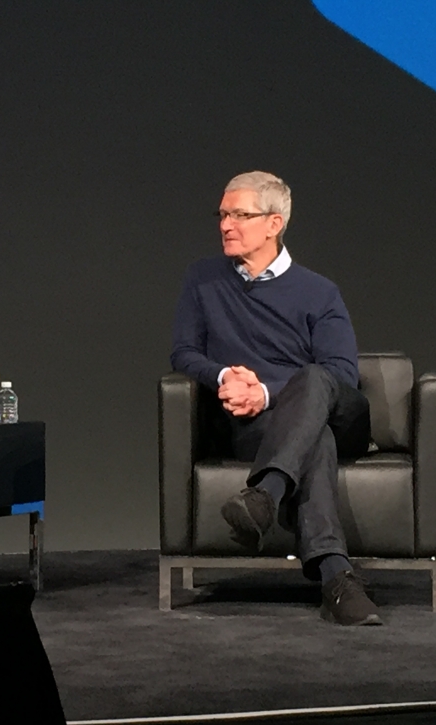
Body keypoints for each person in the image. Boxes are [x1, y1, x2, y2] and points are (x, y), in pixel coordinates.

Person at [170, 171, 380, 626]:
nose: (226, 224)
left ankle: (264, 494)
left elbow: (342, 374)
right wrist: (224, 374)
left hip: (343, 416)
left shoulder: (319, 291)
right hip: (272, 430)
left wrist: (265, 392)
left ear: (274, 222)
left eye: (239, 215)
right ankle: (336, 579)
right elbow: (184, 352)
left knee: (315, 380)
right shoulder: (203, 280)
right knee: (312, 440)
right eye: (222, 214)